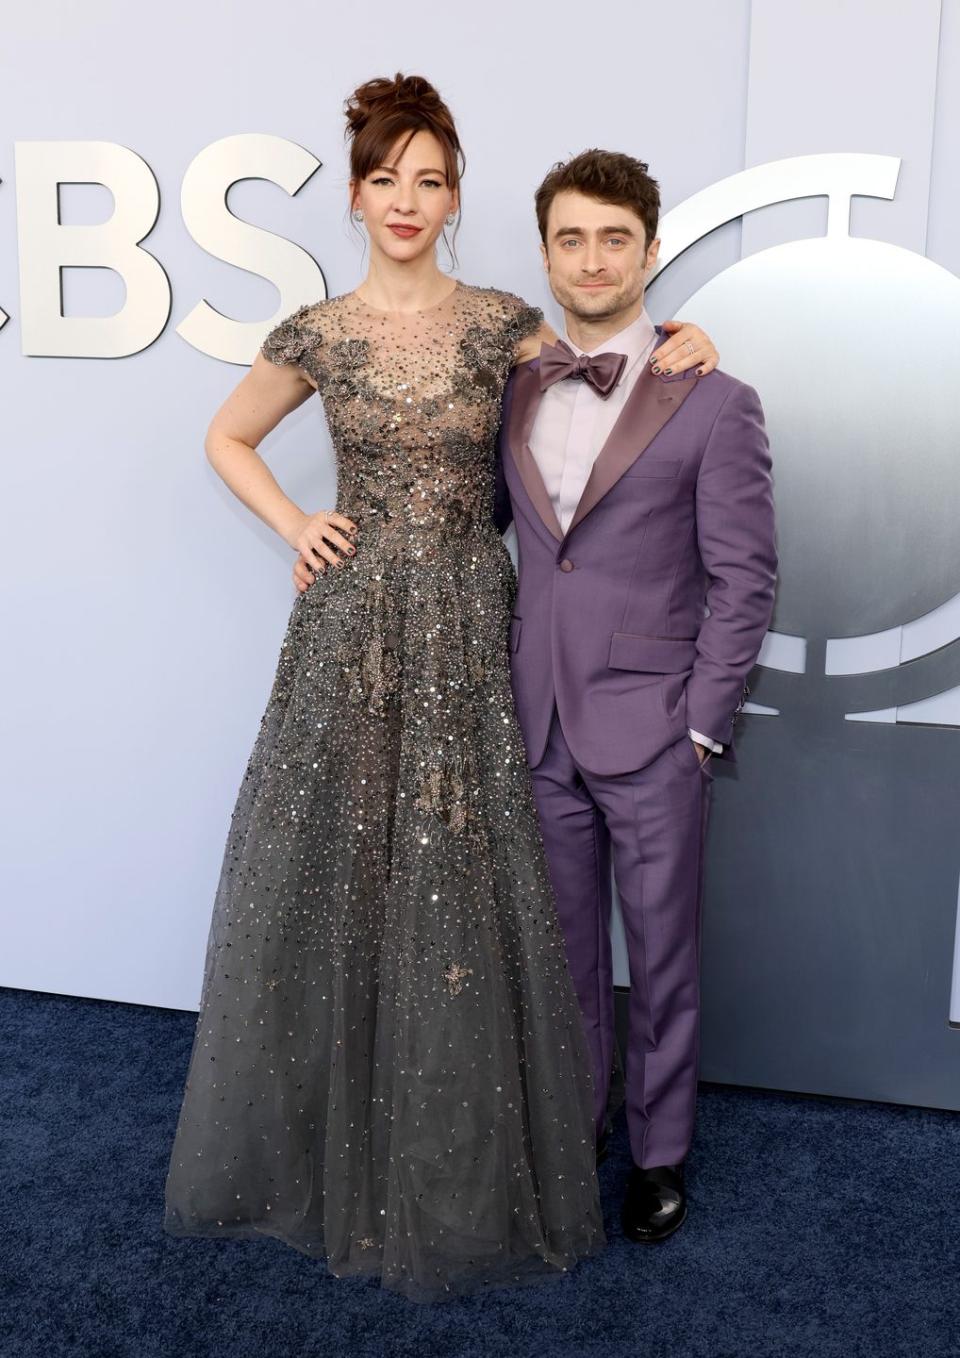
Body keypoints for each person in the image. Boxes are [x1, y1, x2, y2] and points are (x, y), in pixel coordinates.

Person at [165, 75, 718, 1302]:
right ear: (356, 192)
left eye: (430, 179)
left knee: (470, 875)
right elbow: (226, 436)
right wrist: (297, 520)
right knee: (350, 864)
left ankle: (493, 1118)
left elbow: (603, 369)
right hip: (356, 631)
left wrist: (688, 342)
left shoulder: (505, 322)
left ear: (455, 195)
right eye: (385, 178)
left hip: (479, 625)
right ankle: (342, 1120)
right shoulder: (316, 329)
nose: (407, 200)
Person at [493, 149, 776, 1245]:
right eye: (572, 237)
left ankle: (659, 1154)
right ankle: (576, 1126)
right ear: (548, 252)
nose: (594, 257)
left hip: (659, 725)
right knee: (562, 952)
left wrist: (703, 722)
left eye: (616, 237)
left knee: (660, 958)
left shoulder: (715, 399)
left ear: (650, 250)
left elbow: (746, 575)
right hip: (539, 718)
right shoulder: (515, 382)